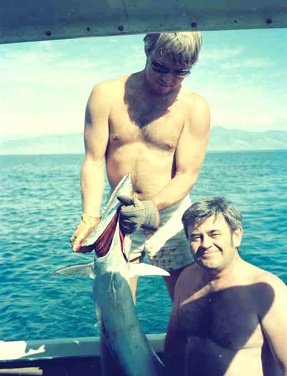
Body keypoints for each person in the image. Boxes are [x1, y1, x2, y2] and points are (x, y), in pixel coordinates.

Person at [70, 31, 210, 299]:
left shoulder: (195, 107)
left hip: (170, 214)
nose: (168, 80)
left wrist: (151, 207)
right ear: (147, 48)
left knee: (188, 303)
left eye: (180, 72)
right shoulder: (106, 94)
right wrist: (90, 215)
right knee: (116, 306)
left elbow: (187, 173)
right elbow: (94, 160)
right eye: (160, 67)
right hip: (119, 215)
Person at [164, 197, 287, 376]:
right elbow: (175, 341)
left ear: (236, 236)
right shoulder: (186, 280)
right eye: (196, 237)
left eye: (214, 234)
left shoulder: (265, 290)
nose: (205, 244)